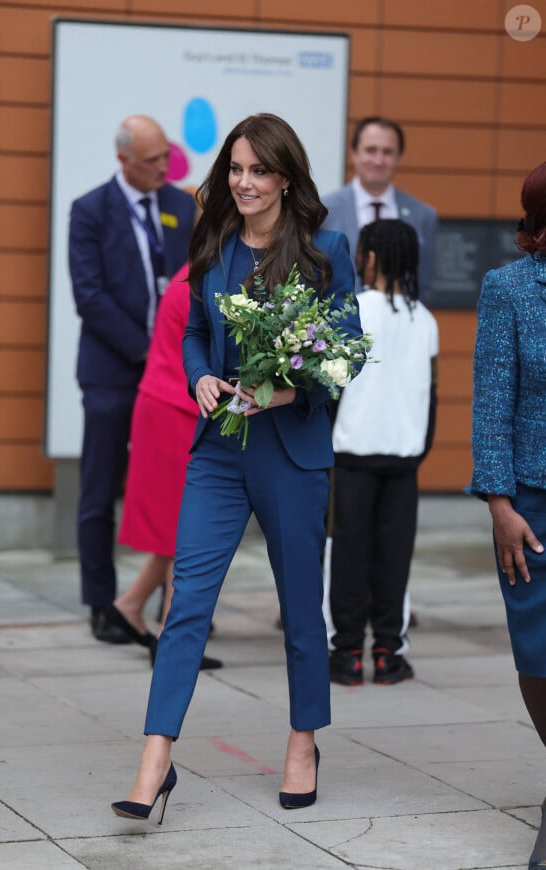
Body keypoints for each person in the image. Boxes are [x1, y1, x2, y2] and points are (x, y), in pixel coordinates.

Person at [110, 112, 363, 824]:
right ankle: (155, 760)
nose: (244, 182)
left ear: (284, 177)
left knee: (298, 613)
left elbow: (345, 355)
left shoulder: (324, 252)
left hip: (292, 454)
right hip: (220, 449)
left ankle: (303, 743)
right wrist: (199, 378)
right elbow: (194, 332)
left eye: (258, 170)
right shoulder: (213, 243)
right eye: (235, 169)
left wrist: (288, 387)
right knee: (185, 604)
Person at [68, 114, 196, 645]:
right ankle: (103, 603)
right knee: (99, 491)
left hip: (169, 380)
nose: (163, 168)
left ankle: (172, 605)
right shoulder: (90, 210)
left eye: (166, 157)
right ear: (123, 160)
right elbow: (90, 296)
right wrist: (149, 353)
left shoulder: (180, 206)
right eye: (152, 161)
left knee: (178, 489)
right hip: (112, 373)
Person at [469, 161, 546, 870]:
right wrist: (499, 503)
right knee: (539, 653)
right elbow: (493, 401)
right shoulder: (509, 289)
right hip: (533, 503)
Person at [329, 219, 438, 686]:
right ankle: (388, 654)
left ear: (370, 258)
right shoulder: (426, 320)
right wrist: (419, 448)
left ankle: (347, 653)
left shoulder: (351, 309)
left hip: (352, 457)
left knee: (347, 555)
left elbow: (331, 385)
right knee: (395, 558)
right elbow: (431, 396)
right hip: (404, 461)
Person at [103, 264, 222, 672]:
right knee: (189, 532)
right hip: (177, 409)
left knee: (178, 530)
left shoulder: (192, 274)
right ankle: (176, 642)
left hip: (170, 404)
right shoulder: (204, 279)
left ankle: (131, 605)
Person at [322, 116, 437, 304]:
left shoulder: (422, 216)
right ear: (353, 152)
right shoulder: (323, 212)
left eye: (387, 152)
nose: (378, 160)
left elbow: (423, 282)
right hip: (337, 329)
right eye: (370, 150)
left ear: (399, 156)